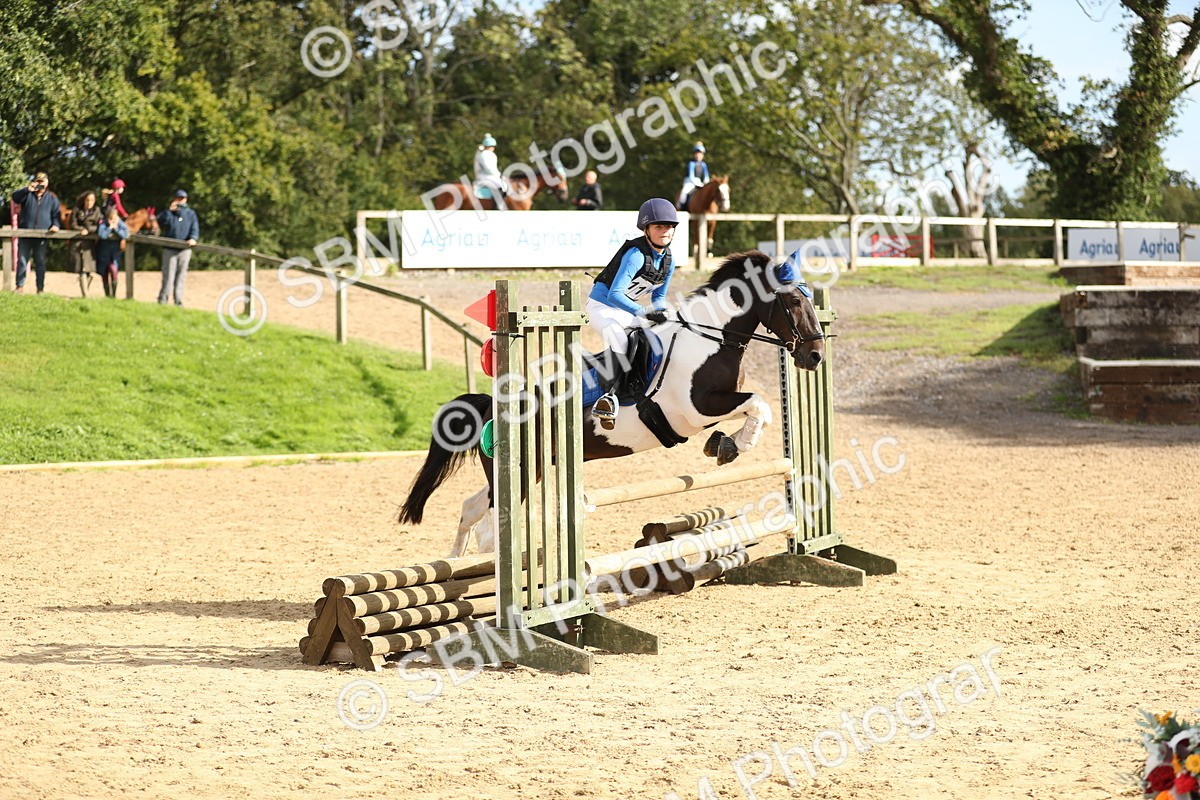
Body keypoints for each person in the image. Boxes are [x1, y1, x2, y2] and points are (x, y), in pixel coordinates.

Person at [586, 198, 679, 428]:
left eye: (669, 226)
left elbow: (658, 297)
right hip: (601, 307)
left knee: (662, 336)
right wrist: (644, 312)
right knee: (620, 339)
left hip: (625, 311)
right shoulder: (636, 255)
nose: (665, 231)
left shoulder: (669, 260)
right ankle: (610, 397)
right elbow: (614, 295)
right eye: (659, 226)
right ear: (646, 229)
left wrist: (663, 313)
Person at [10, 172, 62, 294]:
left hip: (42, 236)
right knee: (22, 261)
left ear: (47, 182)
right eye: (38, 181)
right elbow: (14, 197)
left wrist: (55, 225)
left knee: (40, 262)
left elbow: (56, 216)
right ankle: (19, 287)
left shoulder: (52, 198)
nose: (40, 184)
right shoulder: (27, 195)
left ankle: (40, 289)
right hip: (25, 234)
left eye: (42, 181)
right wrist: (27, 189)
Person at [155, 189, 200, 306]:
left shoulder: (191, 214)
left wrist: (193, 238)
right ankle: (162, 301)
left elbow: (194, 228)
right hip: (169, 249)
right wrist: (169, 211)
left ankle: (178, 302)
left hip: (184, 250)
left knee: (181, 277)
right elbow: (159, 222)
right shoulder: (169, 213)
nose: (180, 201)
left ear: (186, 199)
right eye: (178, 198)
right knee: (167, 277)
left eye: (182, 198)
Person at [70, 191, 102, 296]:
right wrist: (81, 229)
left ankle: (85, 292)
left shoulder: (97, 211)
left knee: (88, 270)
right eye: (88, 200)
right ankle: (86, 295)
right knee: (81, 269)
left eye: (92, 200)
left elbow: (99, 226)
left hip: (90, 244)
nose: (89, 202)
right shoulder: (77, 210)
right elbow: (72, 224)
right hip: (78, 243)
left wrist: (89, 229)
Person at [95, 208, 128, 298]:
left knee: (114, 270)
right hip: (104, 252)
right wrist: (109, 227)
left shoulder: (120, 222)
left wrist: (116, 228)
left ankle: (113, 295)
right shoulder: (103, 223)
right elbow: (102, 235)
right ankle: (107, 295)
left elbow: (125, 234)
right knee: (104, 273)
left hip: (115, 253)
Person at [472, 133, 507, 203]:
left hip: (488, 176)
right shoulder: (485, 154)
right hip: (485, 177)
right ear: (490, 146)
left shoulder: (484, 153)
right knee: (503, 186)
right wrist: (499, 174)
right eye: (493, 146)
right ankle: (498, 205)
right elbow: (489, 169)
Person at [677, 141, 710, 210]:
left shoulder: (704, 165)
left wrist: (706, 183)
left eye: (700, 154)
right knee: (684, 192)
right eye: (697, 154)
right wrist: (698, 183)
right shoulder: (691, 164)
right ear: (694, 155)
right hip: (689, 182)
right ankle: (680, 206)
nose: (698, 156)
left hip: (700, 183)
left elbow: (706, 176)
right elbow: (691, 176)